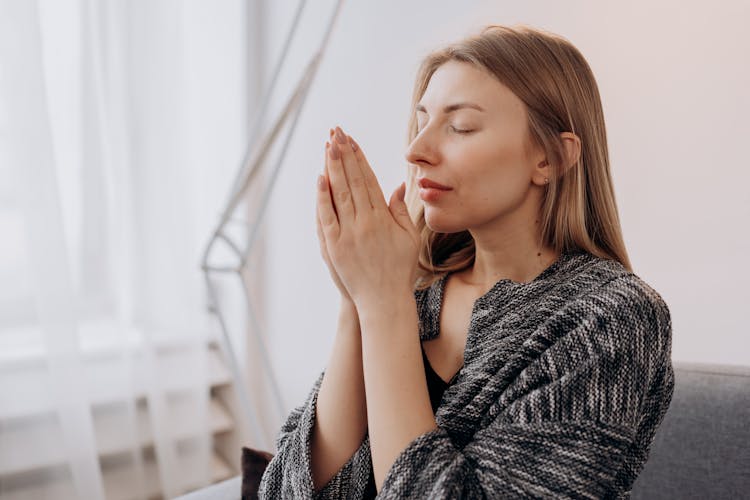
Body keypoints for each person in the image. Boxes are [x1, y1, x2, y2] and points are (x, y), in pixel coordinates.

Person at [257, 24, 674, 499]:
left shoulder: (612, 317)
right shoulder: (414, 287)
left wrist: (383, 304)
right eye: (421, 123)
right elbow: (286, 492)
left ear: (552, 157)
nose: (415, 152)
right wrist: (357, 301)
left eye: (460, 127)